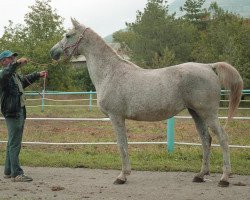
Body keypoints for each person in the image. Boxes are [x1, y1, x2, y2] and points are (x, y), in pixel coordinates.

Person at [0, 50, 47, 182]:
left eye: (14, 58)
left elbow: (24, 81)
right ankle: (17, 173)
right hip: (13, 111)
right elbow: (7, 72)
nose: (14, 59)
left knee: (12, 142)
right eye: (10, 58)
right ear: (4, 62)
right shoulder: (4, 74)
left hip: (18, 110)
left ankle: (8, 171)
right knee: (15, 143)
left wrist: (38, 74)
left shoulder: (14, 75)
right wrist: (17, 63)